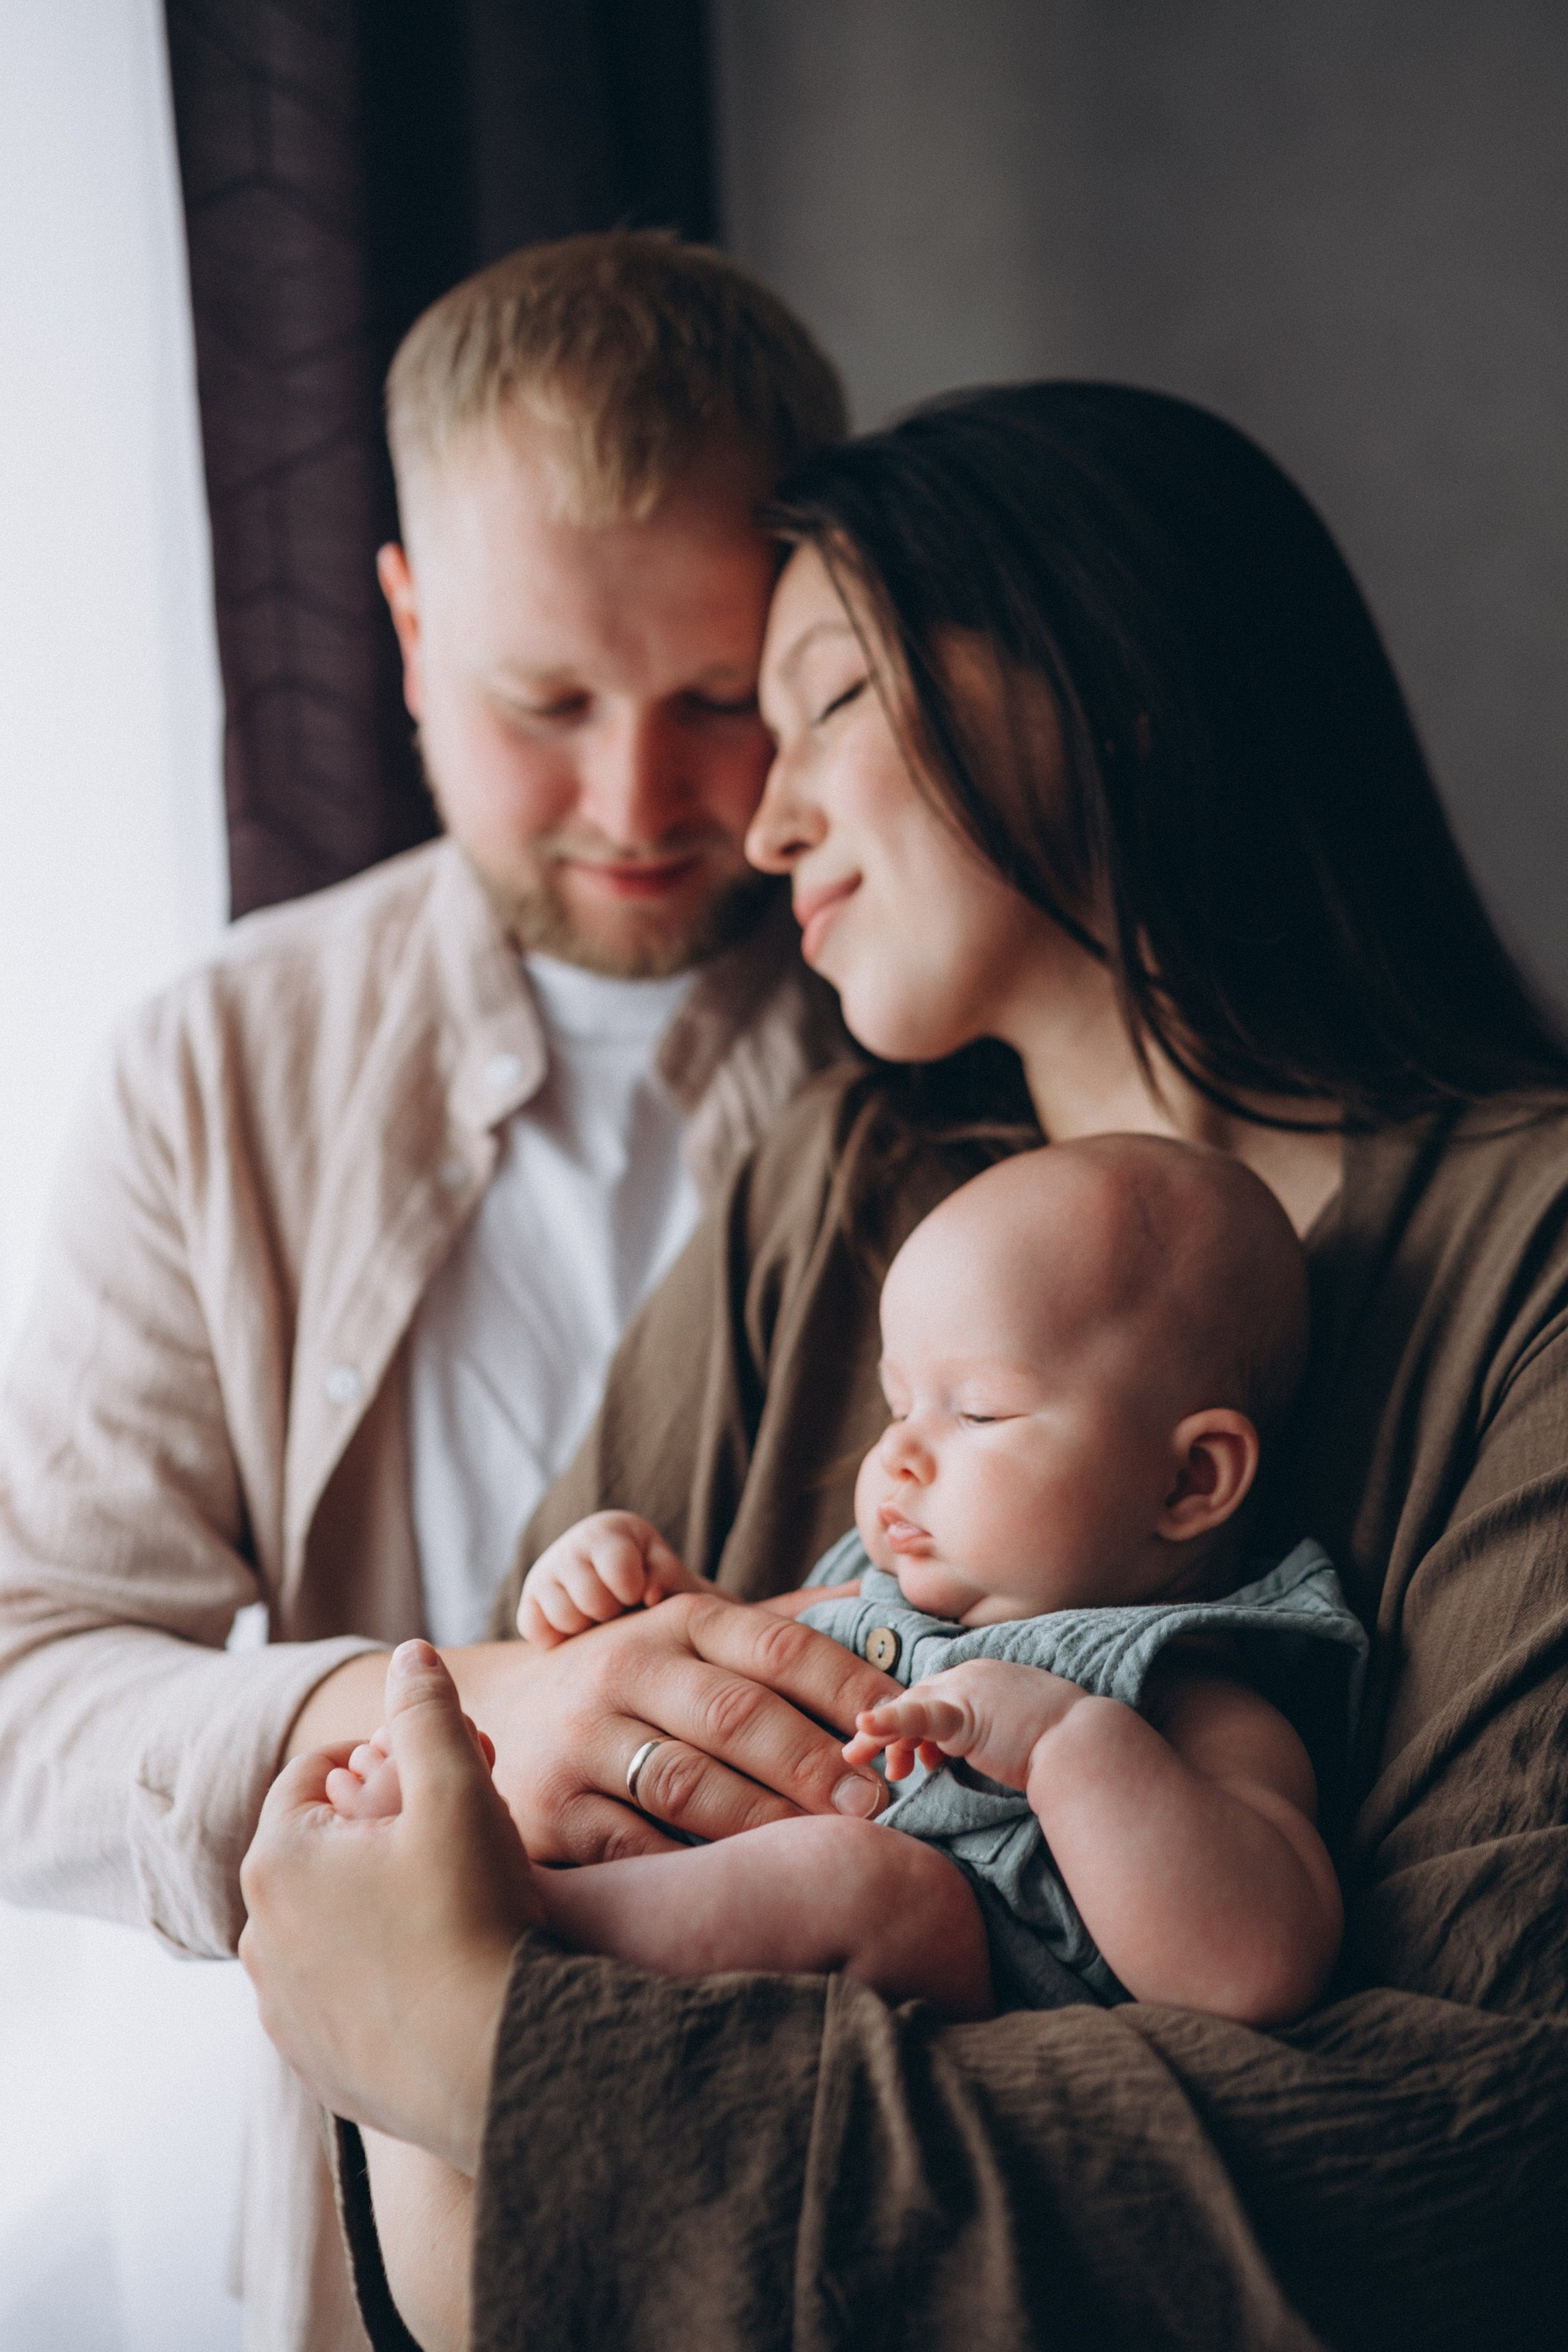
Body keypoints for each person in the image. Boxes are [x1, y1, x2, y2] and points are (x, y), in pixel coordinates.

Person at [243, 382, 1568, 2352]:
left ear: (1110, 683)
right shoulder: (823, 1188)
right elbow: (472, 1804)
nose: (759, 816)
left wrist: (496, 2068)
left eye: (829, 701)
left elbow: (1466, 2173)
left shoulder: (1520, 1256)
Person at [0, 231, 853, 2352]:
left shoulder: (936, 1035)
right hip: (370, 2213)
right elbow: (21, 1678)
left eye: (718, 699)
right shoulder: (212, 1069)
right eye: (541, 703)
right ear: (400, 627)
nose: (639, 804)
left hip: (859, 2165)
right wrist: (450, 1706)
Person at [329, 1133, 1369, 2352]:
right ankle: (483, 1907)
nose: (897, 1456)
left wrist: (1065, 1744)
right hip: (695, 2020)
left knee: (878, 1885)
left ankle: (500, 1923)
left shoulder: (1190, 1686)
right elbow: (722, 1689)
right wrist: (657, 1598)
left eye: (975, 1408)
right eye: (896, 1405)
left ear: (1190, 1480)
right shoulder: (872, 1593)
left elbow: (1258, 1963)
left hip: (932, 2029)